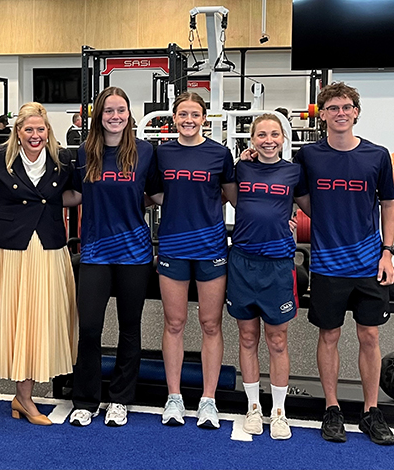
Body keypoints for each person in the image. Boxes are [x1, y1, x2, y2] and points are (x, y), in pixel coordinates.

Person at [292, 82, 394, 445]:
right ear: (321, 115)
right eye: (332, 108)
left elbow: (387, 205)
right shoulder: (308, 156)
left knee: (369, 335)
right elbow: (301, 196)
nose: (340, 113)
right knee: (329, 335)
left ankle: (371, 411)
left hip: (369, 262)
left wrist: (387, 251)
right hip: (326, 264)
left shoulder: (377, 155)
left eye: (346, 107)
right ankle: (332, 409)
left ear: (356, 112)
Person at [0, 102, 77, 426]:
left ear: (48, 131)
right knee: (19, 320)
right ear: (18, 131)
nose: (34, 135)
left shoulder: (62, 160)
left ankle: (24, 395)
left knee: (42, 317)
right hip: (9, 251)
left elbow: (77, 194)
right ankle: (24, 397)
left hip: (48, 246)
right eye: (28, 129)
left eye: (40, 129)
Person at [64, 87, 156, 427]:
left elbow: (158, 194)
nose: (115, 116)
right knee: (89, 328)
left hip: (134, 253)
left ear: (129, 114)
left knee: (130, 329)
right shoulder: (85, 152)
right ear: (98, 116)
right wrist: (32, 199)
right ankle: (85, 399)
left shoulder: (145, 152)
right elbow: (73, 193)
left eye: (121, 110)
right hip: (95, 251)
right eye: (108, 111)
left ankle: (120, 400)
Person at [149, 91, 237, 430]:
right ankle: (174, 398)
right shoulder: (163, 153)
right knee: (174, 324)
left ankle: (208, 400)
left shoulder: (219, 154)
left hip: (211, 248)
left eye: (194, 115)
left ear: (204, 118)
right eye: (182, 115)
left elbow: (233, 196)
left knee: (211, 324)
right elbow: (154, 193)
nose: (188, 120)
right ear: (174, 119)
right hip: (172, 246)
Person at [230, 114, 306, 440]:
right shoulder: (240, 167)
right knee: (247, 338)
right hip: (242, 261)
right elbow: (222, 195)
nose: (268, 140)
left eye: (274, 134)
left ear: (284, 138)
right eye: (262, 134)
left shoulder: (294, 172)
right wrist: (239, 157)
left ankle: (279, 412)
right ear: (252, 139)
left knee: (277, 340)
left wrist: (294, 223)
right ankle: (252, 408)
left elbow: (311, 208)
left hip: (278, 265)